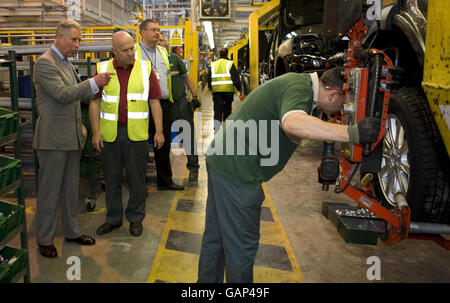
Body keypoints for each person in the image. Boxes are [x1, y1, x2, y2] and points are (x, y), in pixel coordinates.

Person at [197, 68, 381, 282]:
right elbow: (293, 123)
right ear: (333, 94)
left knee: (216, 239)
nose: (340, 111)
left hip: (222, 160)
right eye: (342, 105)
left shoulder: (297, 83)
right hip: (238, 173)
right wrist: (352, 133)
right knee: (240, 248)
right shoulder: (300, 89)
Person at [32, 19, 114, 258]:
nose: (77, 44)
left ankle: (72, 231)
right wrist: (92, 83)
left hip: (71, 138)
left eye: (79, 40)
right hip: (52, 140)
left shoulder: (66, 62)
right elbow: (62, 95)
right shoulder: (45, 64)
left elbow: (75, 95)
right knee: (49, 192)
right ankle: (44, 238)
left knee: (70, 190)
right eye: (73, 39)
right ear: (58, 37)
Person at [90, 31, 164, 237]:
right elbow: (94, 103)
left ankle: (136, 218)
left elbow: (155, 102)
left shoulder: (145, 68)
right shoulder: (102, 69)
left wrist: (158, 131)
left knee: (137, 179)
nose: (131, 53)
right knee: (111, 179)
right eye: (125, 50)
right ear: (114, 51)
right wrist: (96, 133)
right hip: (110, 135)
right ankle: (113, 219)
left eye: (132, 48)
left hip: (137, 134)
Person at [136, 19, 184, 190]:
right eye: (153, 29)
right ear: (142, 32)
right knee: (139, 144)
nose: (157, 33)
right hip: (140, 105)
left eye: (158, 29)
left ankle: (165, 181)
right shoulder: (134, 53)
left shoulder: (163, 52)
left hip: (163, 104)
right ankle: (139, 183)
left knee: (162, 144)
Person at [157, 33, 201, 184]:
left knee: (187, 134)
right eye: (157, 41)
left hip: (178, 102)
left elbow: (188, 77)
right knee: (161, 139)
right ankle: (163, 176)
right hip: (160, 105)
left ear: (166, 44)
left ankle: (194, 168)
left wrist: (195, 96)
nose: (159, 43)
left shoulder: (174, 59)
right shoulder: (148, 62)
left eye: (161, 40)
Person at [208, 48, 241, 126]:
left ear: (220, 54)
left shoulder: (213, 64)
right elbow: (235, 78)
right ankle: (226, 127)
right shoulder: (230, 63)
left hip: (216, 91)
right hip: (228, 91)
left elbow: (209, 77)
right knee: (227, 109)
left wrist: (210, 88)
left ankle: (217, 128)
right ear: (227, 54)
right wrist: (239, 88)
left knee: (217, 110)